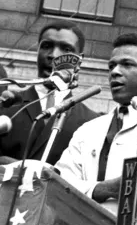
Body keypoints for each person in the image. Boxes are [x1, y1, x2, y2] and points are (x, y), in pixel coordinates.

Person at [56, 33, 137, 218]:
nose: (115, 72)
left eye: (127, 64)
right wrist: (104, 189)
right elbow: (60, 183)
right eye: (111, 66)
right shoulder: (88, 130)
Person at [0, 21, 100, 164]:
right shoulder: (6, 106)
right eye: (47, 46)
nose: (53, 55)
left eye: (66, 49)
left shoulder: (90, 122)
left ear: (79, 59)